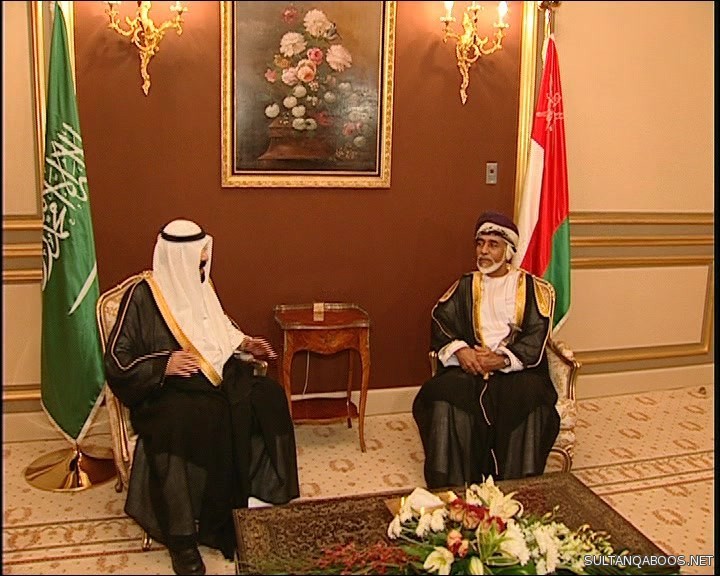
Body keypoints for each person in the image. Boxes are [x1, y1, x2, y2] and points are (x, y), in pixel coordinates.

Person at [103, 219, 300, 576]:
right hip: (166, 391)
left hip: (214, 380)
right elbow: (117, 360)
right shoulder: (143, 296)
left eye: (204, 262)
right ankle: (182, 539)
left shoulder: (201, 284)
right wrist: (164, 364)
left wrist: (244, 343)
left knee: (268, 397)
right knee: (182, 425)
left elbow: (215, 329)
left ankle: (251, 499)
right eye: (197, 262)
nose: (202, 270)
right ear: (178, 259)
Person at [412, 211, 561, 488]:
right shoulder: (466, 285)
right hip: (471, 368)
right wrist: (461, 351)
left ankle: (516, 487)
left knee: (532, 400)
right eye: (480, 243)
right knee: (440, 395)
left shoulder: (531, 288)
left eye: (493, 245)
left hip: (516, 371)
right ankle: (453, 484)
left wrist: (502, 359)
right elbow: (441, 321)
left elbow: (536, 333)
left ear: (509, 251)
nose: (483, 251)